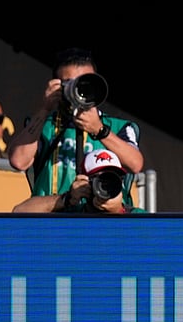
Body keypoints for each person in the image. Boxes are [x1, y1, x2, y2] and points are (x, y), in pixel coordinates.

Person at [8, 47, 144, 207]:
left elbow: (135, 164)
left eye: (85, 82)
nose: (79, 89)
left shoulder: (117, 126)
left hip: (103, 221)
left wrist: (99, 130)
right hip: (52, 218)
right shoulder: (43, 125)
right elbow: (18, 161)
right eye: (69, 83)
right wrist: (44, 109)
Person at [12, 149, 146, 214]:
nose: (105, 185)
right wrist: (66, 198)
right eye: (98, 179)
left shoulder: (137, 217)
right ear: (85, 181)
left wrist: (117, 211)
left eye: (112, 177)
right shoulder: (74, 214)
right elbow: (19, 211)